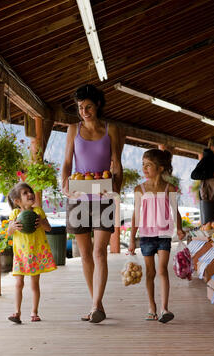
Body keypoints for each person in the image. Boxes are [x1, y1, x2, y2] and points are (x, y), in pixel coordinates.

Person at [62, 84, 123, 324]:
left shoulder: (112, 129)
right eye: (80, 108)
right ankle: (95, 303)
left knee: (99, 252)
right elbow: (67, 162)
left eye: (88, 106)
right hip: (79, 195)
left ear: (97, 105)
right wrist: (64, 185)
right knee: (85, 254)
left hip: (103, 195)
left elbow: (116, 163)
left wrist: (116, 187)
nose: (84, 111)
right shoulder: (72, 129)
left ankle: (97, 304)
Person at [128, 149, 185, 323]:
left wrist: (180, 228)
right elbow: (135, 215)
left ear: (160, 168)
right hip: (145, 236)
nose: (144, 168)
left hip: (164, 235)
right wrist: (131, 239)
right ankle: (151, 306)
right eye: (143, 165)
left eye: (148, 165)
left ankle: (164, 308)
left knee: (162, 271)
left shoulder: (170, 189)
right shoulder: (140, 189)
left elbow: (176, 211)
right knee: (150, 273)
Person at [7, 182, 57, 324]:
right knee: (18, 284)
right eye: (25, 193)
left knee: (34, 285)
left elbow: (48, 228)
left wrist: (41, 222)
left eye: (30, 191)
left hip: (35, 253)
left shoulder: (38, 212)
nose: (30, 194)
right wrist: (13, 227)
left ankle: (34, 312)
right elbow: (9, 232)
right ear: (17, 201)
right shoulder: (15, 214)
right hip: (21, 255)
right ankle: (17, 312)